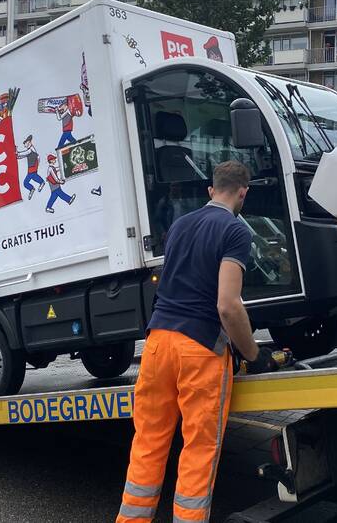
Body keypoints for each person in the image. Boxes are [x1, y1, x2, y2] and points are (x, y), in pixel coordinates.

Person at [116, 161, 277, 523]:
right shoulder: (235, 231)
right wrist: (253, 354)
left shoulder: (179, 226)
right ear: (243, 193)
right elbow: (228, 305)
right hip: (199, 349)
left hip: (157, 346)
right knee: (198, 451)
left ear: (210, 190)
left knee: (148, 445)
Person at [17, 135, 45, 200]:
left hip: (33, 166)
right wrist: (17, 156)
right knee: (26, 182)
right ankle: (32, 188)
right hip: (30, 168)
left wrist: (17, 153)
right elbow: (22, 156)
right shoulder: (29, 150)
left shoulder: (31, 149)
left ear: (29, 142)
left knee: (33, 176)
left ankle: (41, 182)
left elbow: (24, 153)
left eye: (25, 143)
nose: (25, 145)